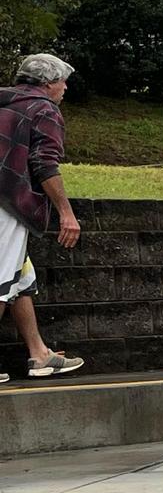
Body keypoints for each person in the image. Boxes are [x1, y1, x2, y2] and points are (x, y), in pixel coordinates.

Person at [0, 53, 84, 381]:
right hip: (8, 206)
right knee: (2, 282)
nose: (65, 88)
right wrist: (66, 213)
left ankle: (39, 355)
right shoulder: (44, 109)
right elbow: (44, 163)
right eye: (63, 81)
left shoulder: (4, 101)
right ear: (48, 83)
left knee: (20, 279)